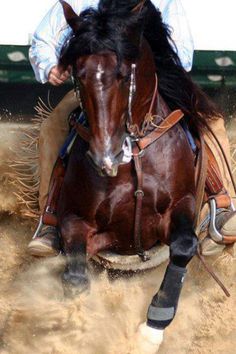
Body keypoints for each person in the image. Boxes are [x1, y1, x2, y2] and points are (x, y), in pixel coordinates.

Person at [28, 0, 236, 257]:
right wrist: (50, 65)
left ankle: (220, 206)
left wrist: (149, 65)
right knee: (52, 126)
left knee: (211, 120)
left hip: (151, 86)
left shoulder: (165, 1)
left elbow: (182, 54)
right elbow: (42, 41)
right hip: (99, 87)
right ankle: (49, 221)